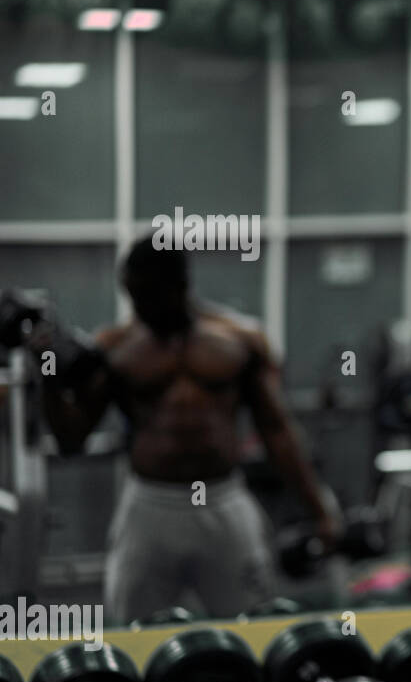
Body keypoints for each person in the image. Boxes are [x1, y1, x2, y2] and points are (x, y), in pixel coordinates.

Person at [36, 238, 342, 623]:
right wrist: (46, 371)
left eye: (147, 294)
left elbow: (276, 430)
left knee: (254, 627)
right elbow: (71, 438)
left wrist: (320, 510)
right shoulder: (115, 348)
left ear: (179, 286)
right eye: (132, 294)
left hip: (223, 502)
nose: (138, 307)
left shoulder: (240, 340)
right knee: (134, 633)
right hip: (150, 506)